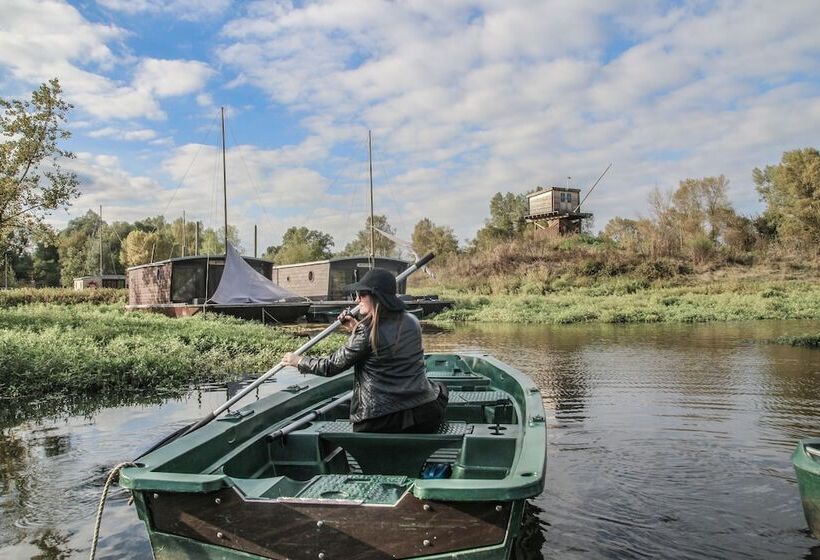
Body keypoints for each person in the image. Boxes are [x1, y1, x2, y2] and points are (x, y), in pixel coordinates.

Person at [281, 267, 448, 433]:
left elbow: (330, 366)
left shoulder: (366, 331)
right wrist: (356, 328)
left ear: (376, 297)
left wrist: (299, 361)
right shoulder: (412, 320)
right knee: (439, 388)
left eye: (361, 295)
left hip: (380, 420)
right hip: (425, 413)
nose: (356, 300)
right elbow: (382, 345)